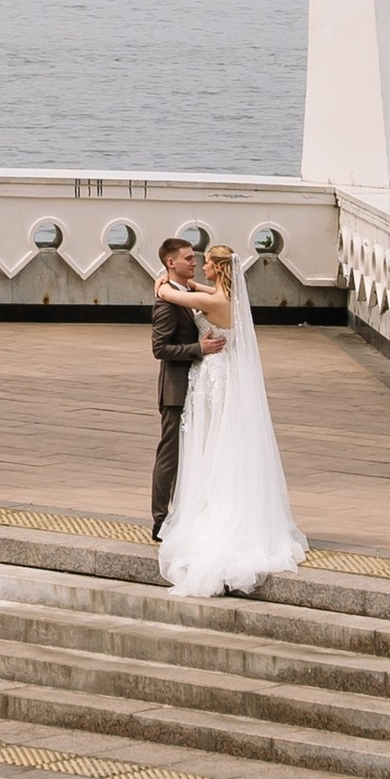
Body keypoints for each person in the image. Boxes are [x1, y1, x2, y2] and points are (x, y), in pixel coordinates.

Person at [152, 232, 307, 595]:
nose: (198, 267)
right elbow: (192, 292)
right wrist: (174, 283)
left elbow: (175, 295)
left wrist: (163, 286)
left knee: (212, 443)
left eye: (203, 262)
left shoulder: (215, 302)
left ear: (217, 269)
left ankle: (208, 513)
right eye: (193, 260)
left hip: (214, 378)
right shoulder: (228, 298)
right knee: (221, 442)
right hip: (220, 377)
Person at [148, 234, 223, 538]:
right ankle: (160, 520)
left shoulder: (181, 291)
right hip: (176, 390)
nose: (195, 262)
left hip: (197, 388)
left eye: (196, 258)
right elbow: (159, 349)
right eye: (189, 258)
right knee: (170, 455)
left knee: (192, 454)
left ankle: (183, 513)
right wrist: (199, 349)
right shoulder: (165, 303)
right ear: (171, 262)